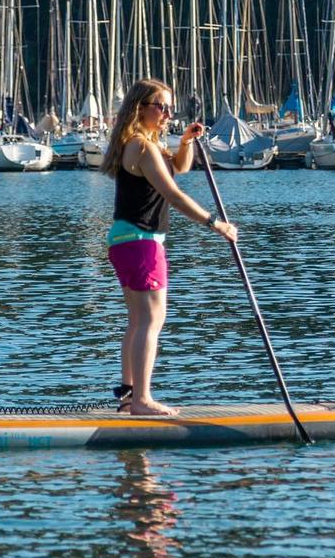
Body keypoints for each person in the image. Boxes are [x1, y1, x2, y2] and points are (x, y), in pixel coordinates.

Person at [101, 78, 237, 415]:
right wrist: (214, 223)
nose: (167, 113)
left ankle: (130, 395)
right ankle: (143, 401)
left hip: (125, 240)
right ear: (140, 108)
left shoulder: (140, 143)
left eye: (169, 108)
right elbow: (173, 195)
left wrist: (186, 142)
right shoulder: (142, 147)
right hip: (141, 241)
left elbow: (179, 167)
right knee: (151, 319)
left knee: (138, 320)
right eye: (161, 106)